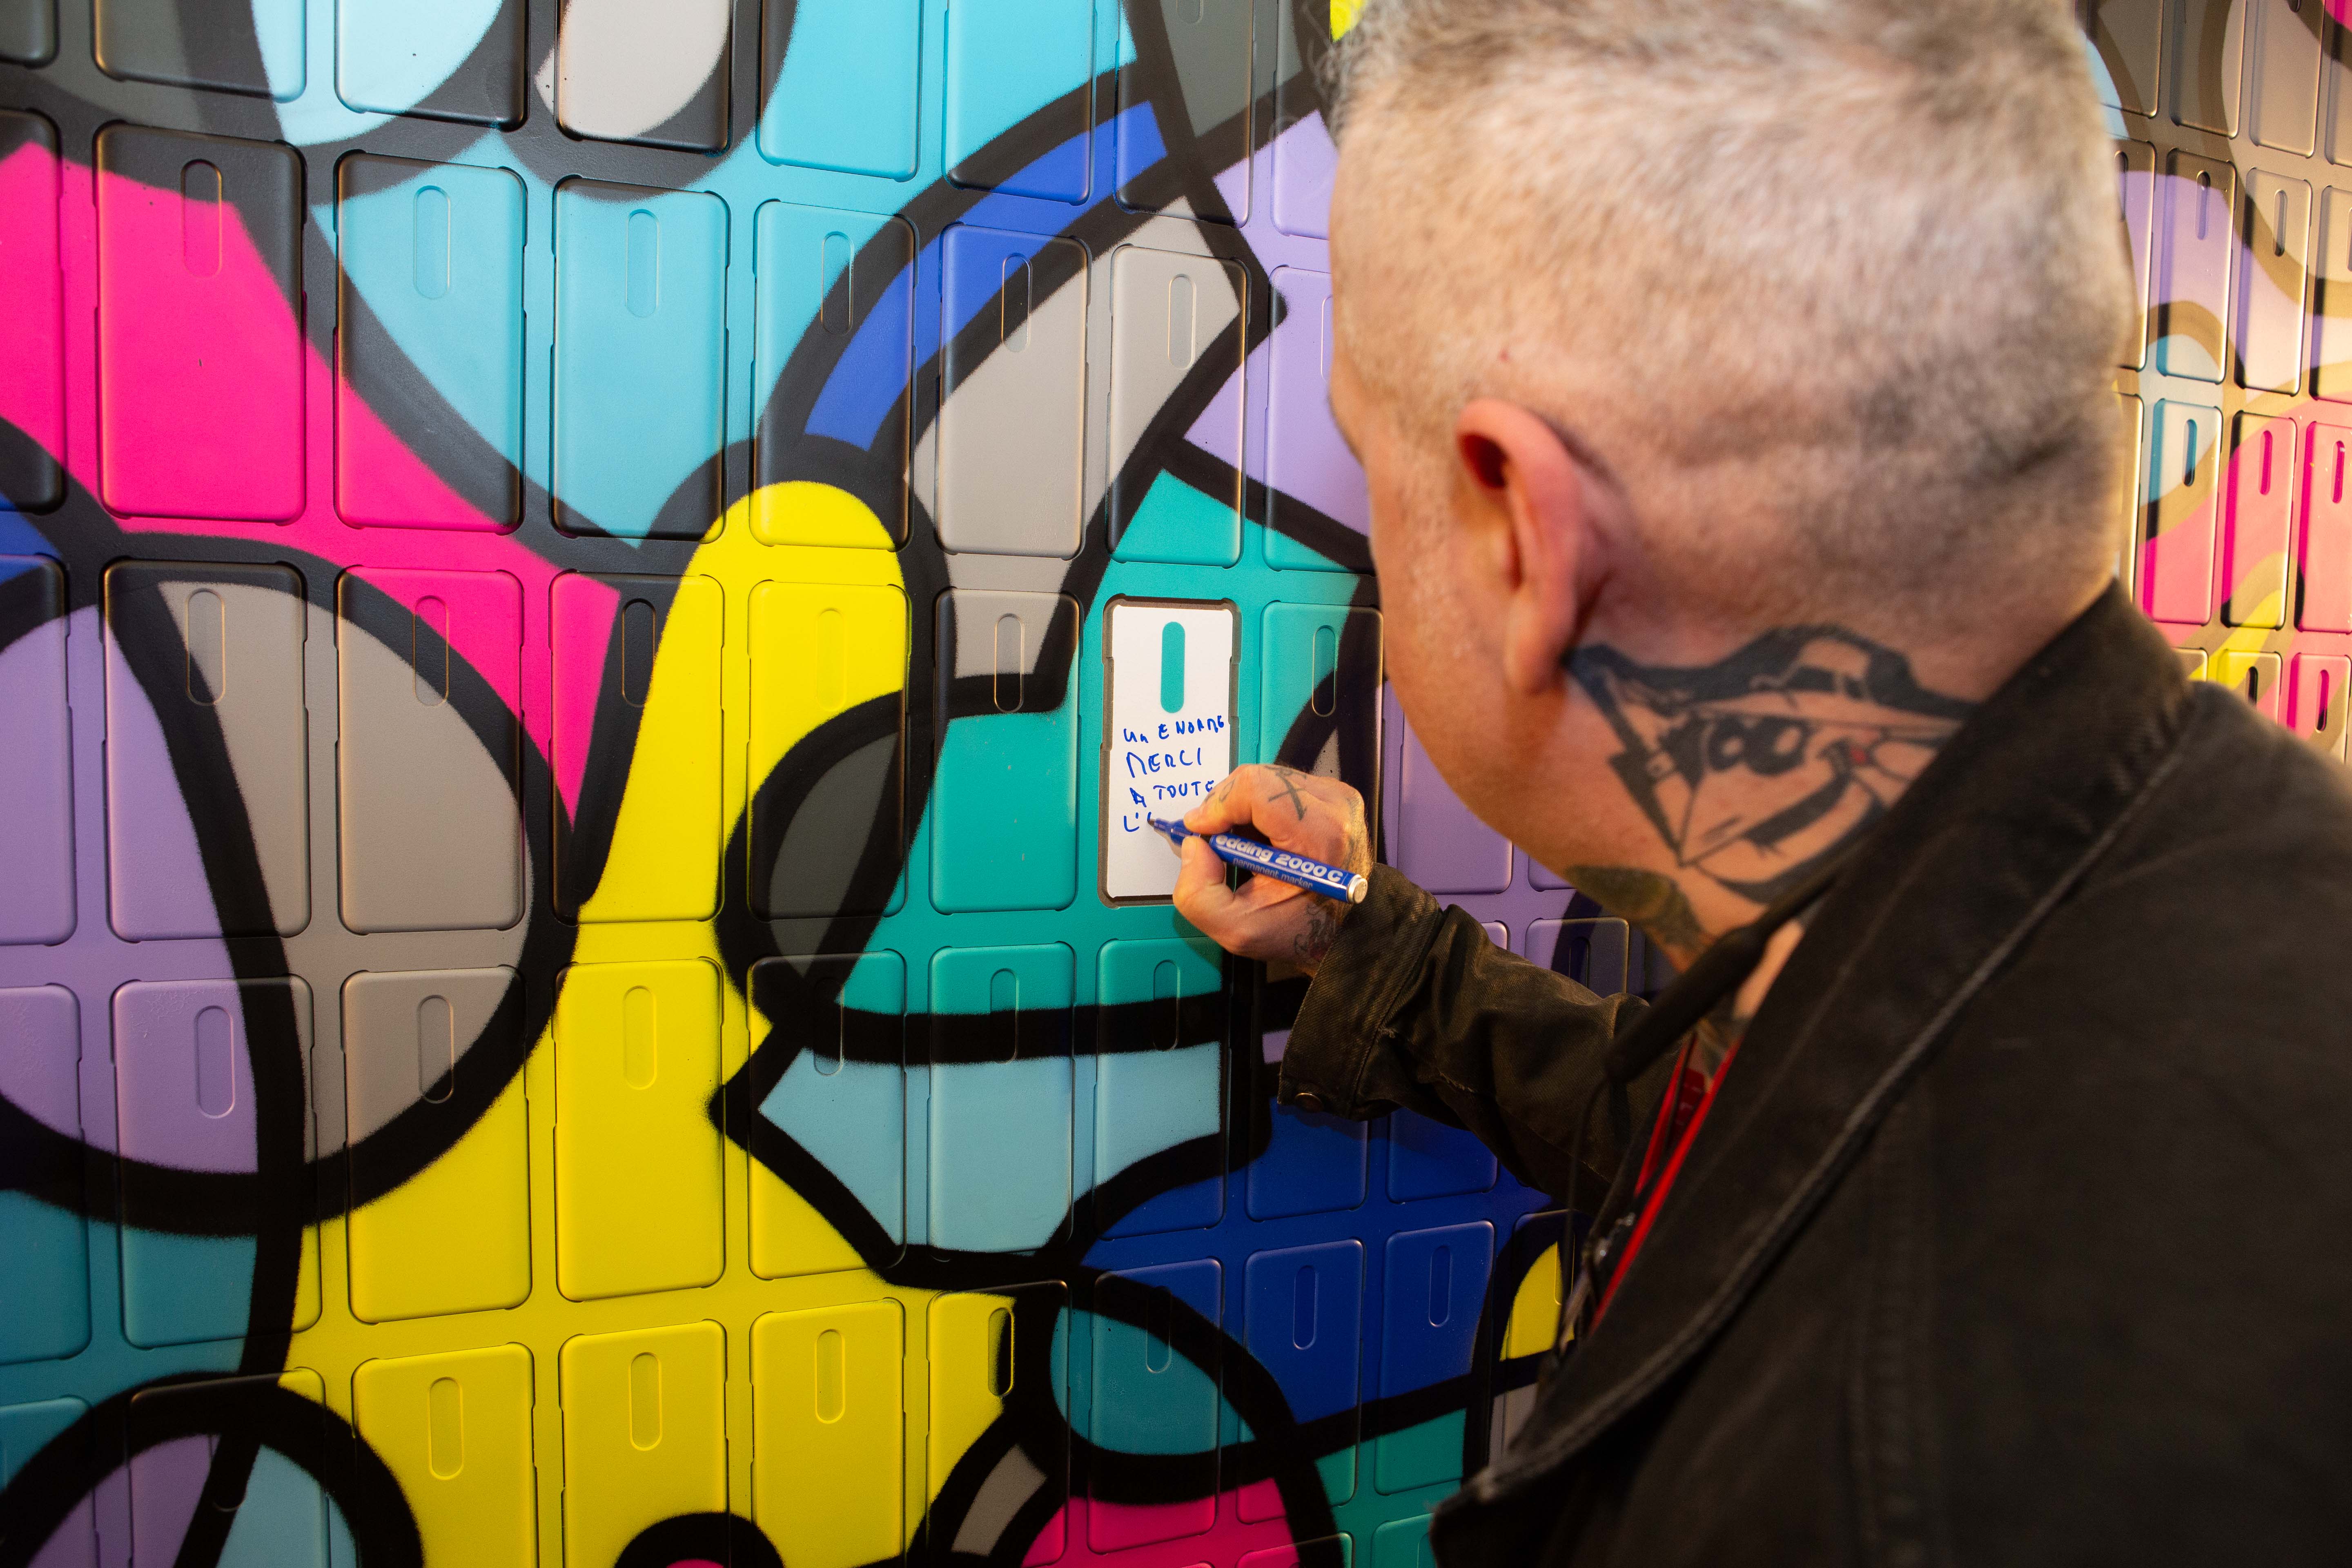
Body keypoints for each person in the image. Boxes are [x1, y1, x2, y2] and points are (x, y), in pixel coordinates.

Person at [1171, 0, 2352, 1561]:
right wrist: (1375, 948)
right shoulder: (2176, 889)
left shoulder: (1879, 1480)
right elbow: (1771, 1132)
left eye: (1369, 459)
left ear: (1523, 533)